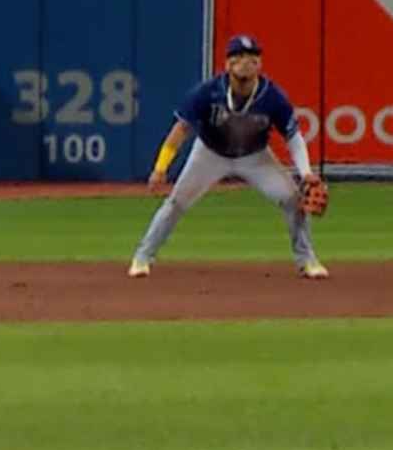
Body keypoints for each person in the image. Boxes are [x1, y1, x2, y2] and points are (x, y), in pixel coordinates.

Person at [130, 35, 325, 280]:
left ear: (259, 65)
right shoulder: (208, 92)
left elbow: (293, 136)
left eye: (252, 57)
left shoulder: (272, 96)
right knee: (176, 203)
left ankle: (307, 260)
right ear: (228, 65)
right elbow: (180, 130)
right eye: (239, 57)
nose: (246, 62)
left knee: (292, 199)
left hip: (256, 157)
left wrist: (305, 171)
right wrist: (160, 168)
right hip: (210, 153)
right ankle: (143, 257)